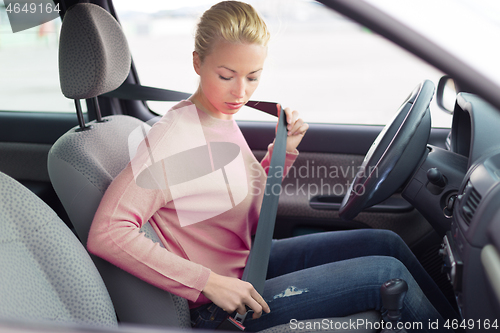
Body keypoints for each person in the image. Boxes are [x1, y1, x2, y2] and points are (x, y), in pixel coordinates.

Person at [87, 1, 458, 332]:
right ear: (198, 62)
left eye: (253, 76)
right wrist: (208, 282)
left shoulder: (218, 117)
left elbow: (248, 209)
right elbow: (108, 231)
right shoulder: (175, 139)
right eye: (226, 75)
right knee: (387, 275)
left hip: (251, 262)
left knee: (386, 243)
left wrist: (286, 151)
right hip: (221, 306)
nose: (240, 92)